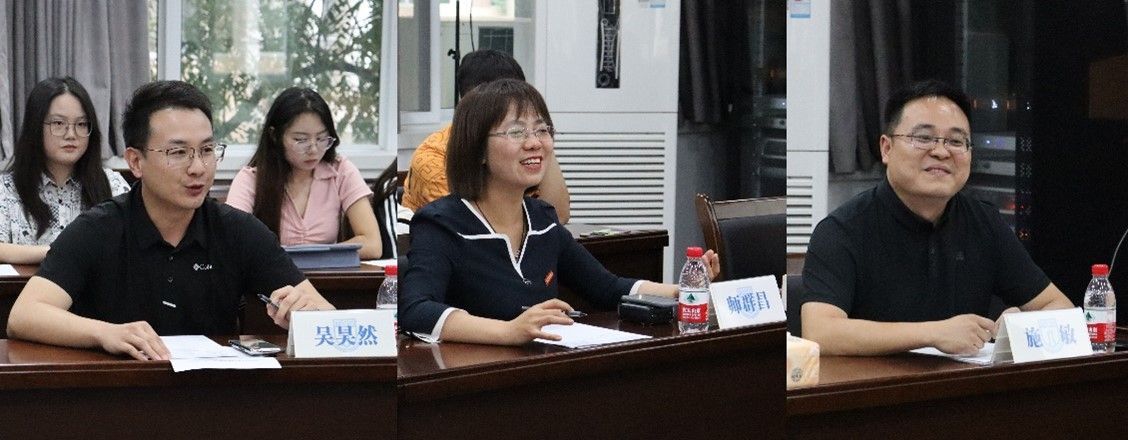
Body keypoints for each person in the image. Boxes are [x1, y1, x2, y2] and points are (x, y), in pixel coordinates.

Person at [7, 80, 334, 361]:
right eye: (178, 153)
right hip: (118, 394)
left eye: (207, 150)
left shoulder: (238, 231)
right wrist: (105, 333)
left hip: (212, 395)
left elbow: (328, 319)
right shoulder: (97, 229)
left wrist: (306, 317)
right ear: (136, 161)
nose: (198, 168)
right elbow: (24, 315)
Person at [399, 79, 719, 345]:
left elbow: (608, 287)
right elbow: (416, 310)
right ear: (477, 149)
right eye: (516, 132)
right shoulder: (442, 223)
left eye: (542, 130)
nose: (534, 143)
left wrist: (684, 291)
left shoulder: (542, 220)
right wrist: (508, 332)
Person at [799, 80, 1073, 356]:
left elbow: (1059, 307)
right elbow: (821, 333)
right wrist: (934, 334)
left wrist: (1024, 323)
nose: (941, 152)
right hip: (875, 382)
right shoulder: (841, 230)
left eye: (956, 141)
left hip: (964, 381)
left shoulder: (985, 222)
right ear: (886, 148)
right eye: (923, 138)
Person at [402, 49, 571, 222]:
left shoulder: (531, 143)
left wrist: (539, 135)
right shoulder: (433, 157)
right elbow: (469, 226)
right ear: (470, 103)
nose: (532, 142)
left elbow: (557, 217)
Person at [225, 87, 382, 259]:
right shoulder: (251, 179)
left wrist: (315, 258)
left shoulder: (340, 170)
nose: (313, 149)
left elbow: (373, 244)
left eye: (321, 138)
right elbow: (230, 243)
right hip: (272, 275)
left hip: (330, 274)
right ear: (274, 136)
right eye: (301, 140)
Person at [0, 77, 130, 263]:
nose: (71, 135)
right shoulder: (6, 190)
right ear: (35, 127)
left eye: (81, 124)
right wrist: (57, 252)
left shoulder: (113, 185)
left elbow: (136, 244)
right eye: (58, 124)